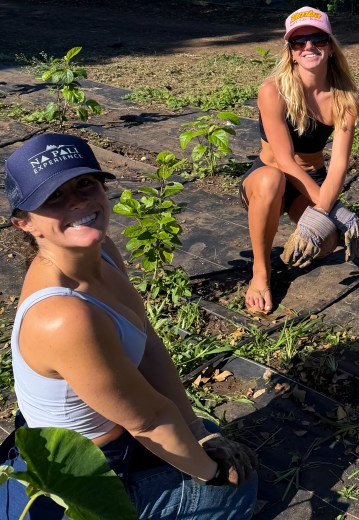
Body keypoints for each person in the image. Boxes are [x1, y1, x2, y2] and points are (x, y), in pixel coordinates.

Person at [1, 133, 258, 520]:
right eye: (53, 198)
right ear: (24, 222)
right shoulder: (63, 317)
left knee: (202, 429)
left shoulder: (103, 252)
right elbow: (149, 421)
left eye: (85, 183)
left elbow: (149, 343)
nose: (78, 201)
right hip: (86, 475)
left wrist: (195, 428)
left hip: (115, 433)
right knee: (238, 488)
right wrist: (213, 473)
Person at [240, 6, 359, 314]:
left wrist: (323, 213)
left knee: (326, 242)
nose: (308, 47)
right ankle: (260, 271)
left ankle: (303, 230)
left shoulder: (345, 99)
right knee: (272, 179)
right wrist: (329, 208)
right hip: (270, 176)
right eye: (299, 42)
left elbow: (337, 164)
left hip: (312, 181)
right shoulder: (273, 90)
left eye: (317, 39)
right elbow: (283, 159)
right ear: (292, 52)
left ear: (331, 47)